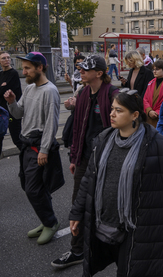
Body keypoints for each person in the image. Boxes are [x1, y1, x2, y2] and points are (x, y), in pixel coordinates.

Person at [68, 91, 163, 277]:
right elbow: (88, 179)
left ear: (134, 115)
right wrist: (77, 212)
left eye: (118, 110)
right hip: (105, 222)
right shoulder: (103, 139)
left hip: (136, 229)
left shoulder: (157, 144)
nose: (112, 114)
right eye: (111, 109)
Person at [51, 55, 119, 270]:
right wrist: (75, 157)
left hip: (108, 161)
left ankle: (116, 249)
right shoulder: (82, 94)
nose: (81, 71)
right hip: (85, 160)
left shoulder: (114, 94)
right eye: (80, 68)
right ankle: (77, 250)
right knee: (78, 206)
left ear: (99, 73)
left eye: (85, 69)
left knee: (109, 206)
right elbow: (79, 130)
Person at [5, 52, 63, 245]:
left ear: (40, 67)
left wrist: (45, 149)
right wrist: (12, 101)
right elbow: (19, 113)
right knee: (30, 185)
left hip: (39, 146)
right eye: (23, 68)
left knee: (33, 189)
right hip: (27, 145)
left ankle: (50, 222)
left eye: (27, 68)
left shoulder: (50, 91)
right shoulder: (29, 89)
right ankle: (45, 219)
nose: (24, 72)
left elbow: (51, 124)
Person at [0, 52, 23, 179]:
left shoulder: (13, 74)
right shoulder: (0, 75)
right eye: (3, 58)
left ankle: (26, 165)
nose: (7, 60)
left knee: (17, 139)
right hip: (0, 112)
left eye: (8, 57)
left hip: (12, 112)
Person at [143, 60, 163, 128]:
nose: (154, 71)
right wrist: (149, 111)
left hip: (162, 117)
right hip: (149, 116)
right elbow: (145, 99)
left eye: (157, 69)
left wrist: (157, 112)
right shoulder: (150, 83)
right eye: (153, 69)